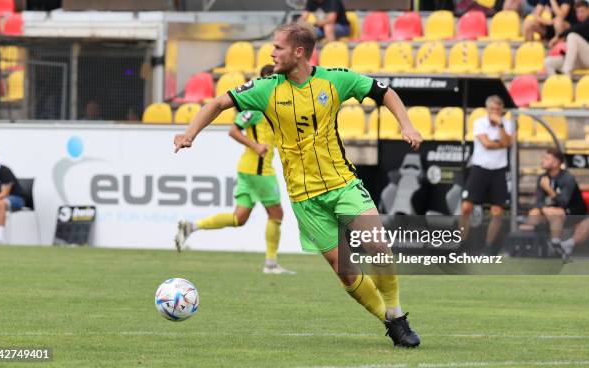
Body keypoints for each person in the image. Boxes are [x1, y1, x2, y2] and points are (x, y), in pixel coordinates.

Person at [174, 22, 423, 348]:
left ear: (299, 52)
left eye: (278, 47)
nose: (272, 53)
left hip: (343, 183)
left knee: (378, 246)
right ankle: (388, 321)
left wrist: (407, 125)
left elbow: (383, 92)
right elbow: (217, 104)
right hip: (305, 198)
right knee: (345, 270)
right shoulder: (266, 88)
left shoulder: (335, 80)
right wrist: (189, 133)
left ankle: (396, 311)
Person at [176, 65, 294, 275]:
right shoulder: (256, 108)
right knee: (276, 213)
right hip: (259, 170)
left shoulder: (275, 107)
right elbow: (233, 130)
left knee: (239, 218)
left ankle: (192, 227)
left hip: (248, 169)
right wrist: (256, 146)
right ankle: (271, 263)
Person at [460, 96, 513, 255]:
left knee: (497, 211)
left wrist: (501, 125)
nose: (495, 113)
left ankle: (489, 247)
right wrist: (500, 144)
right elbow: (487, 144)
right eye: (492, 109)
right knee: (466, 208)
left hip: (499, 170)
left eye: (498, 110)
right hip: (480, 169)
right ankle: (462, 244)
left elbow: (507, 143)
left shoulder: (507, 124)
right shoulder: (479, 122)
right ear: (487, 110)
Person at [523, 148, 587, 249]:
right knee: (534, 212)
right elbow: (538, 201)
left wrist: (549, 189)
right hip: (552, 211)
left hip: (573, 213)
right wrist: (544, 209)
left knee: (556, 213)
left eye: (547, 158)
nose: (542, 160)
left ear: (556, 162)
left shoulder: (567, 177)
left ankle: (555, 246)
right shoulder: (543, 177)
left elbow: (563, 202)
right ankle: (528, 246)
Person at [544, 0, 589, 76]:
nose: (580, 14)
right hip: (579, 60)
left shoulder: (586, 23)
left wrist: (558, 36)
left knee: (572, 36)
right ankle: (561, 84)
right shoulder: (576, 22)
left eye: (582, 11)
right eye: (578, 12)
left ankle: (566, 70)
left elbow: (579, 28)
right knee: (548, 62)